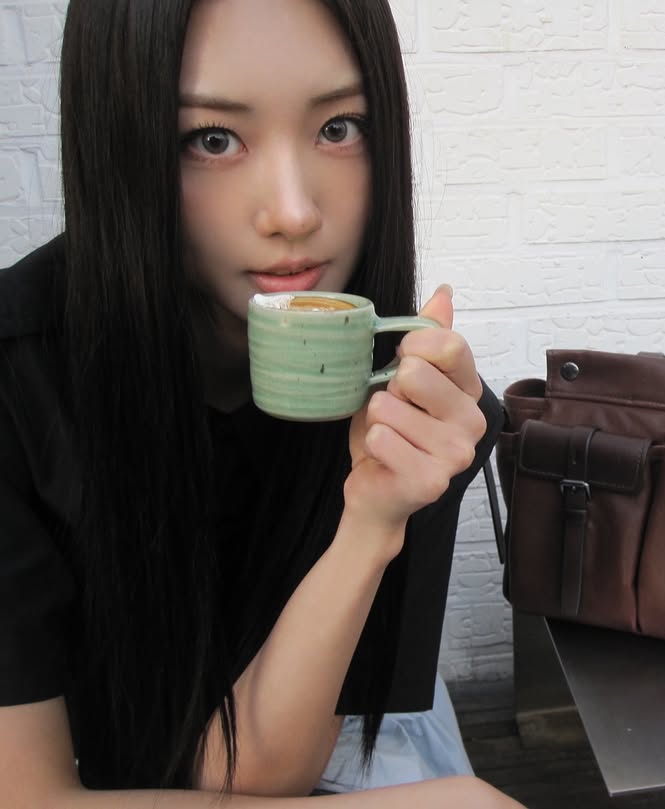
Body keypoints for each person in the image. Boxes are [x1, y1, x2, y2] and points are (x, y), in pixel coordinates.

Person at [0, 0, 524, 806]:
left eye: (339, 127)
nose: (293, 212)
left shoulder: (412, 410)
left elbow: (253, 775)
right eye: (212, 139)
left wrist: (372, 522)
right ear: (118, 139)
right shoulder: (18, 391)